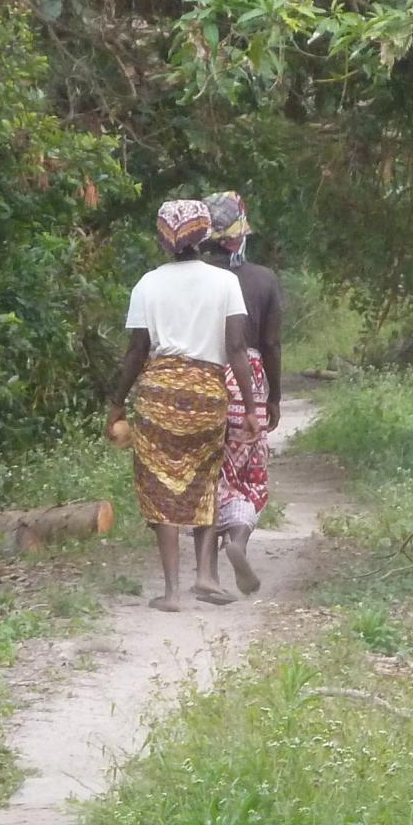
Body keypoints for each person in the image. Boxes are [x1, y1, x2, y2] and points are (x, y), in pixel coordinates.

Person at [109, 198, 259, 611]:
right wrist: (250, 408)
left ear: (163, 239)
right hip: (207, 393)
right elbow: (237, 349)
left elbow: (137, 352)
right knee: (204, 480)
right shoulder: (225, 283)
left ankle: (172, 592)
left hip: (157, 394)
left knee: (159, 486)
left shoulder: (146, 284)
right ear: (204, 234)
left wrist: (117, 404)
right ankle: (206, 576)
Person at [201, 190, 283, 594]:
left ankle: (206, 570)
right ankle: (237, 540)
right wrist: (273, 398)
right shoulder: (263, 280)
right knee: (248, 474)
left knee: (207, 473)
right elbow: (270, 344)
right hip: (244, 382)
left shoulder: (195, 278)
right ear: (240, 236)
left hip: (199, 379)